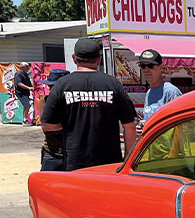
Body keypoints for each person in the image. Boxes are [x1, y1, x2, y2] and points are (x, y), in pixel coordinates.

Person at [40, 37, 137, 171]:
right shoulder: (113, 84)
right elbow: (130, 126)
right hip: (109, 164)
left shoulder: (62, 85)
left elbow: (47, 125)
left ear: (74, 58)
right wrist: (128, 161)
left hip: (75, 163)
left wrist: (70, 129)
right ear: (99, 59)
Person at [36, 69, 69, 170]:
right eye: (50, 86)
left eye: (54, 86)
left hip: (74, 155)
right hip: (52, 153)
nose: (51, 89)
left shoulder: (74, 101)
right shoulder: (45, 101)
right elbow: (48, 128)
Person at [139, 49, 181, 126]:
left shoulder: (171, 92)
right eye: (143, 66)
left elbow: (178, 123)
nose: (146, 69)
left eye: (150, 66)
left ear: (161, 67)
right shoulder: (149, 93)